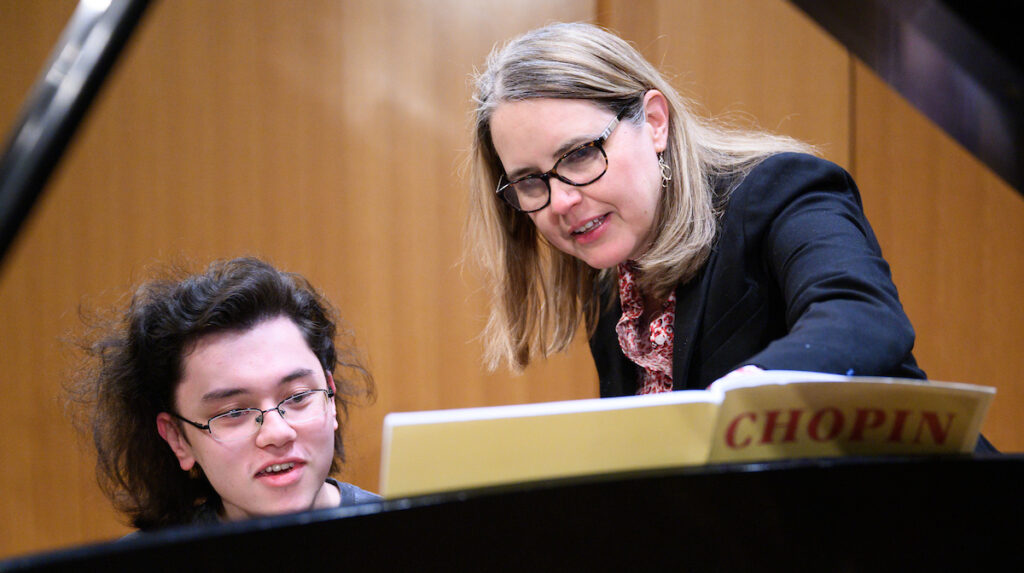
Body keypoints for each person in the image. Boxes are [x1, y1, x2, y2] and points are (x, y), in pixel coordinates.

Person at [467, 21, 927, 396]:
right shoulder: (609, 282)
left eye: (580, 154)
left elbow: (861, 316)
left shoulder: (781, 191)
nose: (562, 201)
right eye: (531, 181)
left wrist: (741, 397)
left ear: (654, 123)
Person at [68, 257, 378, 531]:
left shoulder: (414, 540)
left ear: (330, 397)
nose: (277, 433)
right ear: (178, 438)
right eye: (233, 412)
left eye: (297, 397)